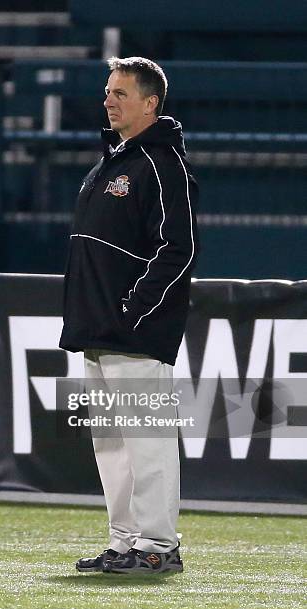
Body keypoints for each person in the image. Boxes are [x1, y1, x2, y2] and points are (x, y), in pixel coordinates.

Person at [59, 56, 199, 574]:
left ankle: (159, 546)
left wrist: (132, 309)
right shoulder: (113, 162)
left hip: (134, 331)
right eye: (107, 91)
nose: (108, 100)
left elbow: (178, 248)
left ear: (150, 102)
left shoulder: (163, 164)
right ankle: (124, 542)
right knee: (112, 444)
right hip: (98, 327)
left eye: (120, 93)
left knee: (148, 440)